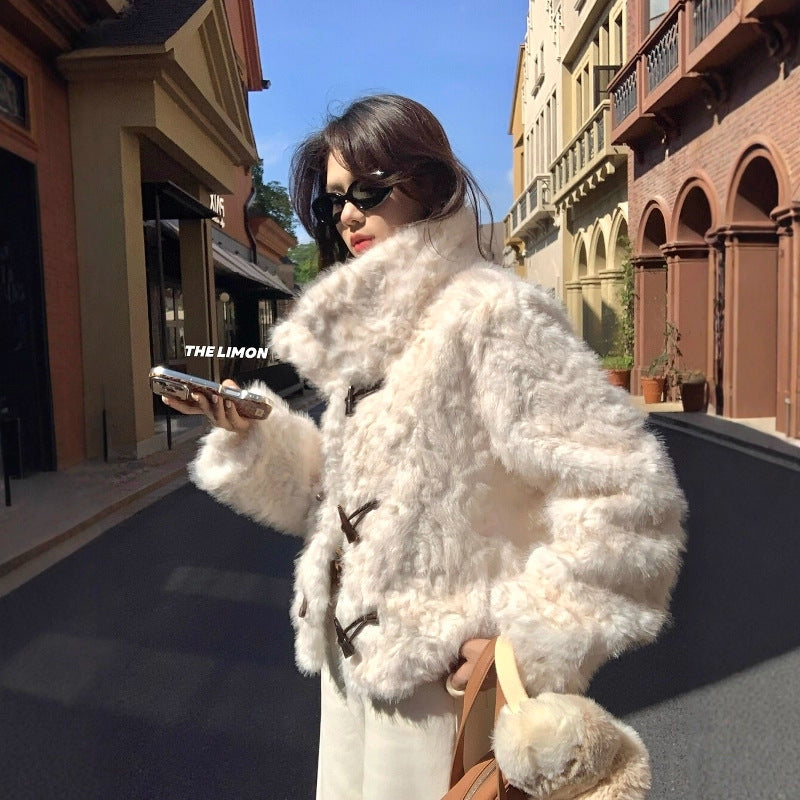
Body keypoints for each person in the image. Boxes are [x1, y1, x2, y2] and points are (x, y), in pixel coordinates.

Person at [166, 94, 686, 800]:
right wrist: (251, 433)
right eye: (333, 201)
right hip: (350, 680)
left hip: (440, 688)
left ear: (428, 185)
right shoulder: (377, 335)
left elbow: (629, 493)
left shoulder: (492, 312)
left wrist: (529, 638)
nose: (348, 216)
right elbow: (341, 505)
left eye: (369, 191)